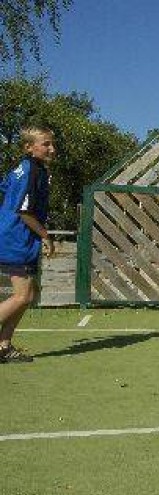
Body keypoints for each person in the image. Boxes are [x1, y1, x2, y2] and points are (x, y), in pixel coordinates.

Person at [0, 126, 56, 363]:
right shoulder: (33, 171)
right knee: (23, 296)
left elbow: (4, 190)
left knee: (28, 294)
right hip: (18, 237)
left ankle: (3, 345)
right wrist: (45, 235)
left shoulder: (22, 169)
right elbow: (25, 211)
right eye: (46, 144)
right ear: (29, 147)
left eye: (52, 144)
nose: (52, 149)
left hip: (15, 234)